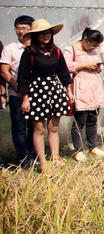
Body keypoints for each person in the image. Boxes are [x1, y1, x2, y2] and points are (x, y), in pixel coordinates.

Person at [18, 19, 73, 172]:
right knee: (39, 129)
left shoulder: (56, 51)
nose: (45, 36)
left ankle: (55, 158)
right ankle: (42, 161)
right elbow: (23, 77)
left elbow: (64, 71)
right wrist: (25, 98)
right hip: (36, 92)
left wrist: (68, 90)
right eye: (41, 33)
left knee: (53, 127)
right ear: (35, 36)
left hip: (54, 90)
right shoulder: (28, 53)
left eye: (47, 33)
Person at [63, 28, 104, 161]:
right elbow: (66, 66)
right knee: (80, 121)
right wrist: (84, 65)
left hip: (94, 86)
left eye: (96, 46)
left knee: (93, 119)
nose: (93, 48)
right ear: (85, 39)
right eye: (92, 45)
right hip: (81, 86)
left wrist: (98, 67)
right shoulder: (71, 49)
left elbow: (98, 67)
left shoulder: (93, 50)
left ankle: (92, 146)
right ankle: (78, 149)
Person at [0, 15, 36, 166]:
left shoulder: (37, 47)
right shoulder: (10, 48)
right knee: (19, 127)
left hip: (36, 94)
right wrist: (19, 90)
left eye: (25, 29)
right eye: (18, 29)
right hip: (16, 95)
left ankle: (34, 155)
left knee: (35, 127)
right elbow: (4, 72)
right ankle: (24, 157)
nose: (21, 32)